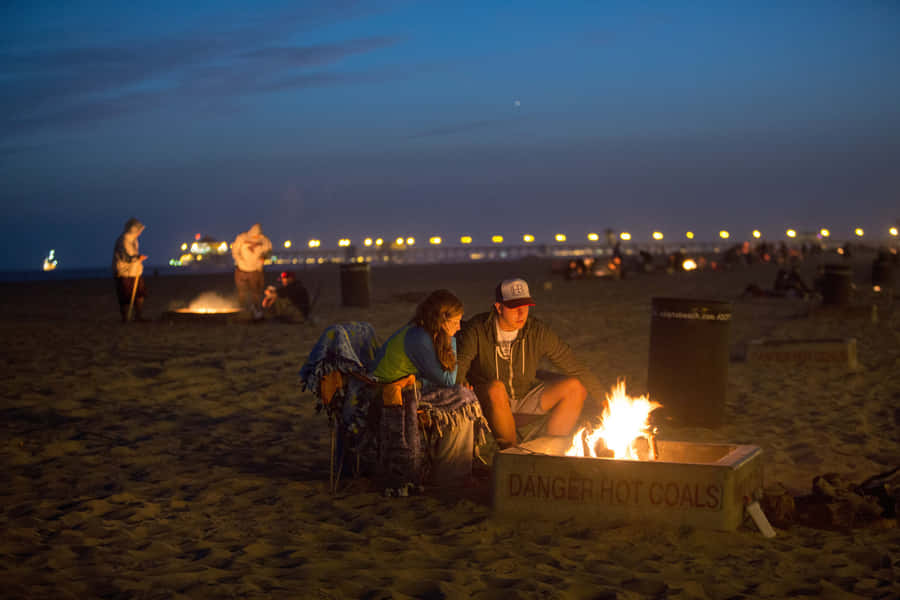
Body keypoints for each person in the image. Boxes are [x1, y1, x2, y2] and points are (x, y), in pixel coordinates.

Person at [456, 278, 603, 449]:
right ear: (499, 307)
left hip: (524, 396)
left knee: (575, 387)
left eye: (525, 307)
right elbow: (461, 363)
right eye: (514, 307)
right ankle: (513, 457)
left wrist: (602, 399)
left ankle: (550, 452)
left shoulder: (536, 332)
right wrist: (462, 384)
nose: (521, 313)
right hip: (486, 404)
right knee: (496, 388)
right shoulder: (478, 329)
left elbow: (574, 365)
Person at [370, 289, 488, 487]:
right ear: (442, 320)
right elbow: (448, 379)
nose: (459, 327)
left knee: (464, 394)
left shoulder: (422, 331)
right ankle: (452, 473)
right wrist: (452, 340)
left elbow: (437, 377)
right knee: (463, 399)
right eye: (455, 322)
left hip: (407, 385)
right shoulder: (420, 338)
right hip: (389, 392)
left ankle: (459, 466)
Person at [112, 217, 149, 322]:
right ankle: (125, 318)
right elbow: (125, 256)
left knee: (139, 294)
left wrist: (138, 259)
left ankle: (138, 316)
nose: (140, 233)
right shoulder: (123, 240)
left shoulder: (134, 240)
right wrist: (137, 258)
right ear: (133, 230)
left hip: (135, 272)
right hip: (124, 273)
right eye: (139, 231)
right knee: (125, 296)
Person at [231, 223, 272, 316]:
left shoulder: (264, 240)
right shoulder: (242, 238)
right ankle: (242, 310)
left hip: (256, 270)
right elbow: (235, 250)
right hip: (242, 269)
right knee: (242, 292)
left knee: (256, 292)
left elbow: (268, 251)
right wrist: (240, 260)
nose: (255, 237)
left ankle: (256, 310)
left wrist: (263, 259)